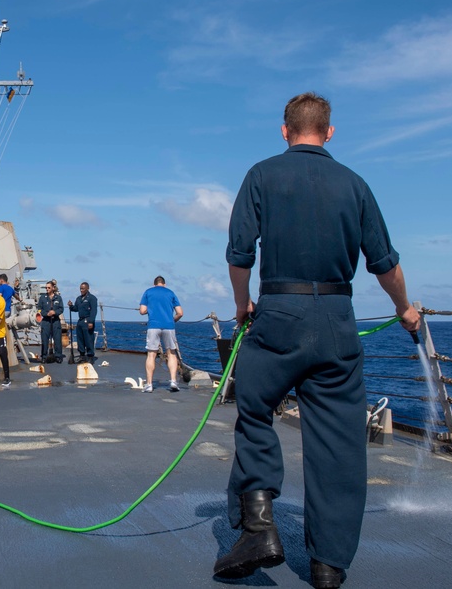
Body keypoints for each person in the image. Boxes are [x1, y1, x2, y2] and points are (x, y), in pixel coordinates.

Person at [214, 93, 420, 588]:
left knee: (257, 408)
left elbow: (240, 254)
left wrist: (243, 304)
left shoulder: (261, 175)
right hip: (336, 316)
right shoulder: (356, 184)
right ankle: (328, 566)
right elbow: (385, 264)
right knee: (339, 443)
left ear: (284, 131)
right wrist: (404, 310)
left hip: (278, 310)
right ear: (329, 133)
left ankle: (259, 526)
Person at [139, 276, 184, 393]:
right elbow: (180, 313)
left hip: (153, 325)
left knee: (151, 355)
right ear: (164, 284)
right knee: (171, 353)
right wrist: (172, 320)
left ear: (154, 284)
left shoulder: (148, 292)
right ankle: (173, 381)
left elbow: (142, 311)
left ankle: (149, 384)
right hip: (169, 326)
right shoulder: (170, 293)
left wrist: (151, 309)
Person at [68, 282, 98, 360]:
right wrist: (71, 306)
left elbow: (93, 311)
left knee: (88, 339)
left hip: (87, 320)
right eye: (80, 288)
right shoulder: (78, 299)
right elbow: (76, 308)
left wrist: (91, 321)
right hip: (80, 321)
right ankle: (82, 355)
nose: (81, 290)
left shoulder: (92, 298)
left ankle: (90, 356)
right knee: (80, 339)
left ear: (87, 288)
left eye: (83, 288)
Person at [36, 281, 64, 363]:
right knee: (44, 339)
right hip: (46, 321)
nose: (47, 289)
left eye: (48, 287)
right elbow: (39, 309)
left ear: (53, 288)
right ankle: (44, 356)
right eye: (46, 288)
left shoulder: (58, 298)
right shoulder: (42, 298)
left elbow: (61, 309)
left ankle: (58, 356)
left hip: (55, 321)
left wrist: (55, 312)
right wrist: (46, 313)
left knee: (57, 339)